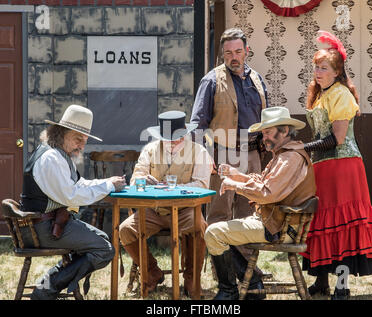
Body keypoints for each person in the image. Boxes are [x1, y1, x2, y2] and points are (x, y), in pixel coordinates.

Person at [300, 31, 372, 300]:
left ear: (337, 72)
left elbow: (335, 139)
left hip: (343, 167)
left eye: (324, 68)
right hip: (323, 168)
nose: (318, 71)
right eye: (316, 66)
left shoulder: (340, 94)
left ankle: (342, 285)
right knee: (321, 222)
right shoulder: (320, 95)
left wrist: (303, 148)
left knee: (343, 225)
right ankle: (322, 282)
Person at [204, 106, 316, 300]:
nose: (265, 138)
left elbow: (267, 193)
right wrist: (237, 176)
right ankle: (252, 283)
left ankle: (229, 291)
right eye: (263, 133)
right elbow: (265, 183)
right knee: (219, 232)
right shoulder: (284, 154)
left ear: (285, 131)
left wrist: (234, 186)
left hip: (279, 228)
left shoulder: (289, 158)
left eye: (269, 132)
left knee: (213, 233)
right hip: (277, 223)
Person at [19, 104, 126, 300]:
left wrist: (108, 182)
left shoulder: (58, 154)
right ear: (61, 133)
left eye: (84, 141)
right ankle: (46, 291)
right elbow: (71, 195)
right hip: (40, 228)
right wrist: (108, 187)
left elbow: (78, 184)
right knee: (103, 249)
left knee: (102, 241)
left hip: (46, 225)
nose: (82, 146)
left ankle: (47, 284)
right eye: (78, 139)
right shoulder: (51, 158)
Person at [119, 110, 214, 298]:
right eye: (167, 137)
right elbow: (135, 179)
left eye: (176, 137)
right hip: (154, 211)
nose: (172, 141)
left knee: (199, 227)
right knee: (125, 229)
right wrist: (144, 180)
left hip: (186, 210)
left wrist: (174, 188)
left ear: (185, 134)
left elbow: (202, 185)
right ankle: (151, 272)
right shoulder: (150, 150)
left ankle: (191, 278)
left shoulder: (199, 152)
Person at [190, 27, 268, 226]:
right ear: (222, 54)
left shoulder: (257, 79)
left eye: (238, 52)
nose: (234, 57)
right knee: (219, 213)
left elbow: (268, 118)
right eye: (228, 53)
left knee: (251, 212)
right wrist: (204, 157)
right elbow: (197, 124)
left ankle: (245, 258)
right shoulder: (211, 81)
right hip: (223, 155)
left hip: (252, 154)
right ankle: (221, 258)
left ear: (247, 51)